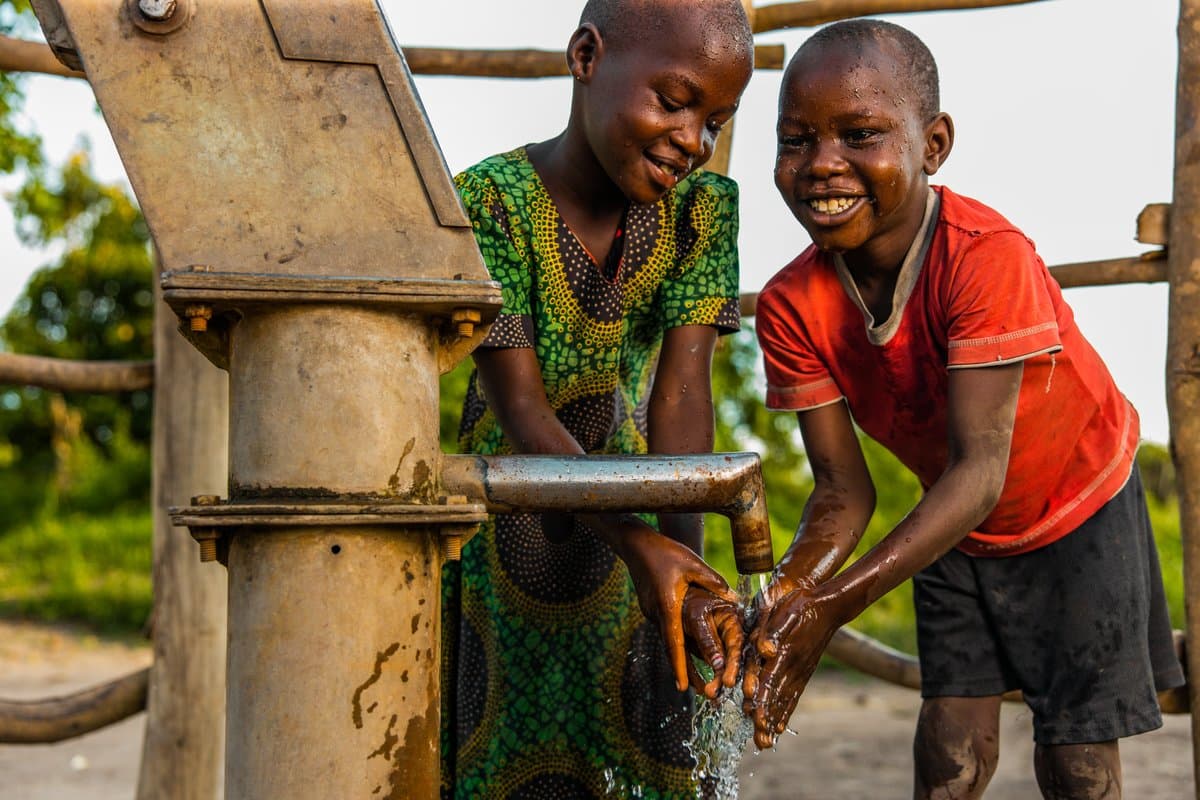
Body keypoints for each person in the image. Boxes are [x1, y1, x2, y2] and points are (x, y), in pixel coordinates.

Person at [745, 18, 1185, 799]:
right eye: (795, 140)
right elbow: (843, 494)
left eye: (861, 133)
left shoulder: (985, 258)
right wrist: (791, 596)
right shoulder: (791, 303)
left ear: (934, 145)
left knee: (1078, 762)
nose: (822, 164)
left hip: (1077, 504)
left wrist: (835, 606)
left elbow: (985, 468)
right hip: (955, 519)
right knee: (949, 750)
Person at [440, 1, 755, 797]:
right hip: (512, 524)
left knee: (645, 756)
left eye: (715, 121)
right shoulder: (492, 201)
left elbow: (681, 395)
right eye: (674, 101)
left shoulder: (699, 213)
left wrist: (688, 577)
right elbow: (521, 410)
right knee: (509, 756)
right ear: (586, 55)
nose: (693, 140)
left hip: (641, 521)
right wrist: (636, 540)